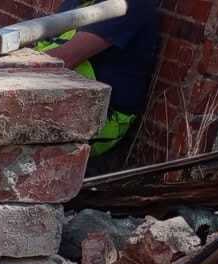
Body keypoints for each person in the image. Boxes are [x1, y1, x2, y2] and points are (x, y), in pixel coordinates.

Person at [43, 0, 161, 159]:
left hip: (101, 116)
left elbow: (63, 60)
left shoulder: (127, 5)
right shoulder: (79, 3)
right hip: (62, 97)